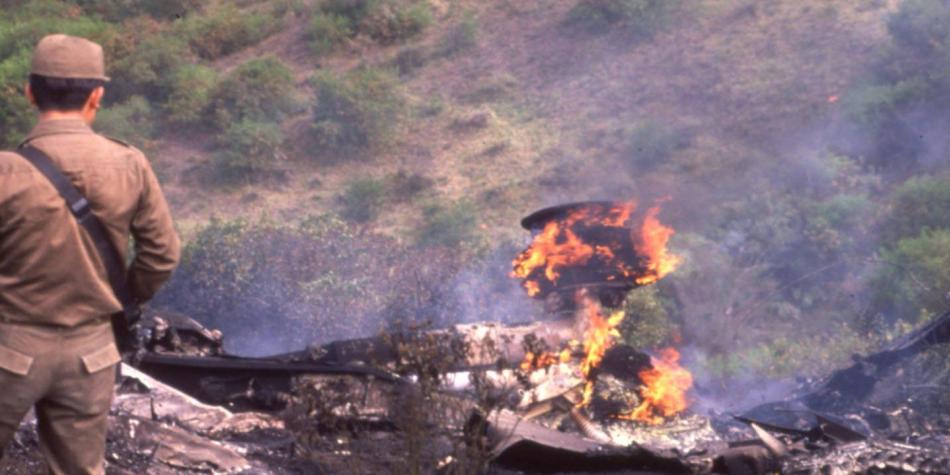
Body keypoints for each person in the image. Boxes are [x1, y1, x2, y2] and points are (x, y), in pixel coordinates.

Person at [0, 34, 181, 474]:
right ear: (96, 96)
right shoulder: (129, 163)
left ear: (29, 92)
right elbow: (162, 254)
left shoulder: (6, 170)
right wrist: (122, 299)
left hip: (9, 347)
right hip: (92, 352)